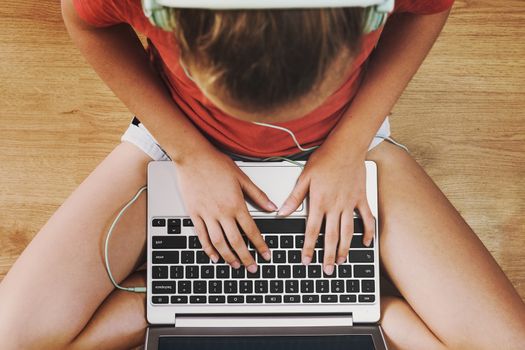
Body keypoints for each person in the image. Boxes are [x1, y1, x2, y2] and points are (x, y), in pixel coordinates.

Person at [0, 0, 524, 349]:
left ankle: (372, 308)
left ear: (369, 15)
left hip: (345, 141)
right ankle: (168, 301)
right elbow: (84, 21)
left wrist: (347, 146)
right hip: (177, 141)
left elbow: (429, 10)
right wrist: (189, 153)